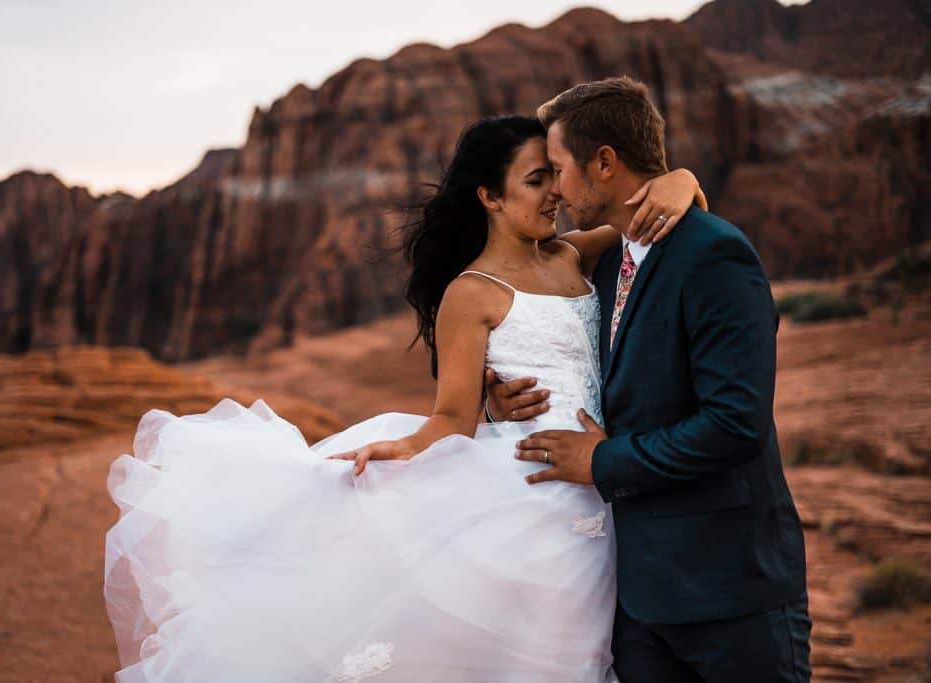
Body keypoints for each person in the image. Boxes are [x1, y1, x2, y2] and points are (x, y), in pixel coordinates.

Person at [104, 114, 703, 682]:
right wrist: (400, 447)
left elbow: (655, 215)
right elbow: (452, 416)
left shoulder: (576, 252)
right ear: (490, 197)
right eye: (535, 180)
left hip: (607, 480)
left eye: (555, 176)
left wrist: (682, 179)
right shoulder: (470, 294)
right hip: (537, 497)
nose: (556, 194)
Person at [499, 77, 811, 681]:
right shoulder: (609, 258)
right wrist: (501, 389)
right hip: (637, 603)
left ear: (606, 163)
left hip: (732, 597)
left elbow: (735, 423)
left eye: (559, 168)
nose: (557, 189)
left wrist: (603, 462)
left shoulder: (714, 254)